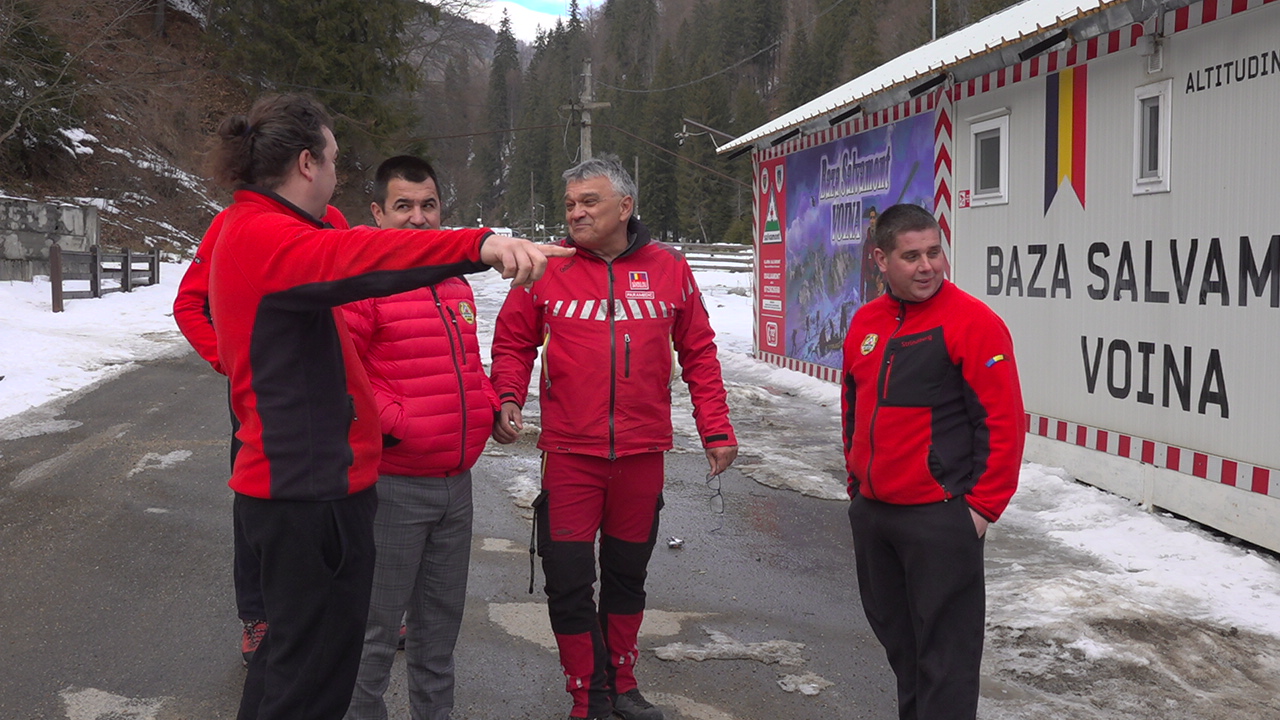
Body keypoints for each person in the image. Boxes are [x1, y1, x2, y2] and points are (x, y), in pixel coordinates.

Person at [203, 93, 572, 720]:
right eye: (333, 158)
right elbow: (362, 256)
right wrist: (479, 244)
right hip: (306, 493)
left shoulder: (263, 228)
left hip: (312, 485)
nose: (337, 173)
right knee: (311, 683)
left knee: (291, 668)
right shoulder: (265, 234)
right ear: (306, 163)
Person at [489, 154, 738, 720]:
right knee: (567, 578)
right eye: (570, 204)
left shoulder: (670, 268)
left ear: (625, 206)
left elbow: (699, 351)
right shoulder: (546, 268)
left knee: (628, 575)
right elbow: (512, 342)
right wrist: (507, 396)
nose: (576, 213)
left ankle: (621, 684)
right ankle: (588, 695)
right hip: (569, 454)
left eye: (589, 202)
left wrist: (716, 427)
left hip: (641, 454)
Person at [840, 203, 1025, 720]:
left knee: (947, 664)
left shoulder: (974, 322)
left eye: (934, 252)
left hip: (940, 518)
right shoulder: (866, 322)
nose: (928, 266)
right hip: (876, 515)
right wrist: (857, 487)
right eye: (912, 256)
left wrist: (980, 510)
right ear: (881, 259)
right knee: (904, 653)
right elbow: (853, 406)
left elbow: (1004, 423)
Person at [341, 155, 496, 720]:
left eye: (428, 205)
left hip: (456, 485)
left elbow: (467, 365)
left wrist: (489, 406)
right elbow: (340, 373)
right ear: (378, 212)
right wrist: (398, 426)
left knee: (438, 635)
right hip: (394, 485)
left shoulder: (453, 281)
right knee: (375, 633)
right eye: (403, 206)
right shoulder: (364, 284)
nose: (417, 217)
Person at [174, 202, 348, 669]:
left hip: (333, 395)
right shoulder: (234, 222)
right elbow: (189, 303)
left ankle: (353, 603)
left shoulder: (332, 219)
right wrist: (231, 361)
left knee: (342, 500)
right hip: (263, 399)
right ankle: (258, 614)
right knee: (258, 505)